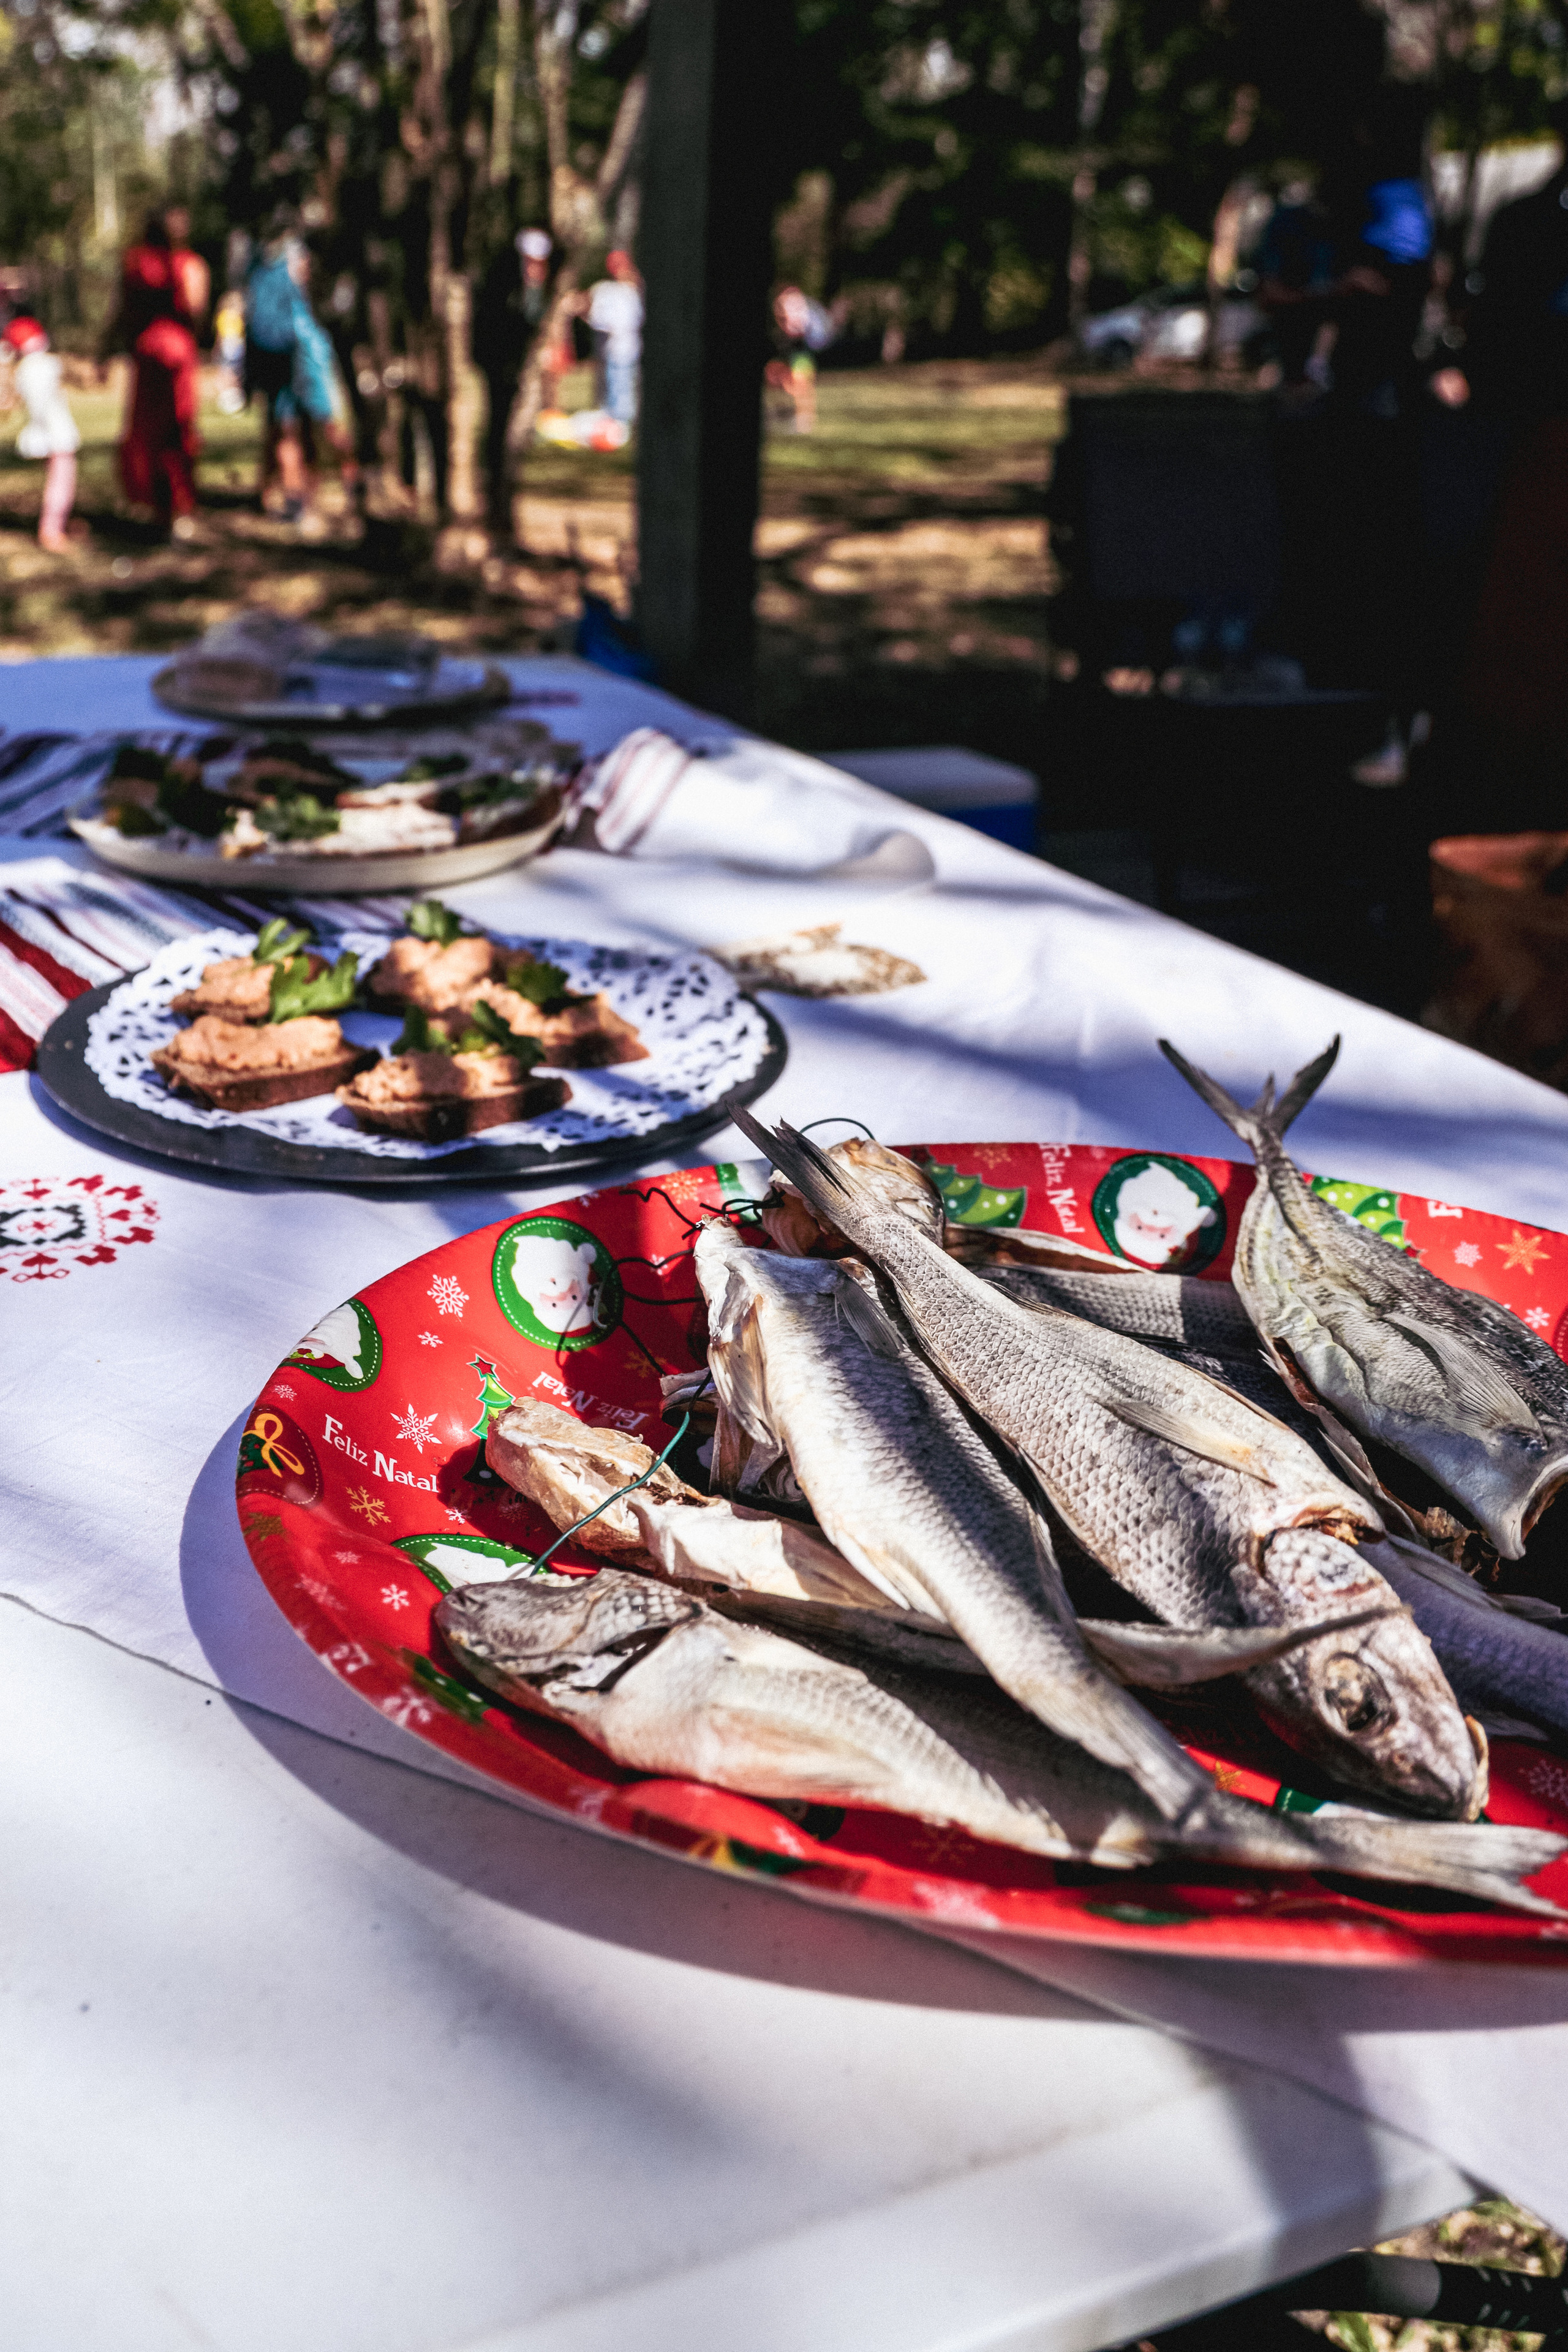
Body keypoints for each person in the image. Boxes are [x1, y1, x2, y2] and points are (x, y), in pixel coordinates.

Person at [244, 226, 358, 523]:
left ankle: (300, 495)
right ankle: (334, 489)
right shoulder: (285, 257)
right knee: (306, 425)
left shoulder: (259, 261)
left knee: (292, 427)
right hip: (298, 352)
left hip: (284, 354)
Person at [110, 205, 208, 538]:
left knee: (148, 432)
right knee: (178, 430)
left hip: (146, 351)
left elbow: (121, 312)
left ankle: (156, 507)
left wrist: (104, 350)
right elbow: (196, 309)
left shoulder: (133, 262)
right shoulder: (188, 264)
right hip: (177, 351)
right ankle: (179, 508)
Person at [0, 315, 81, 552]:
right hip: (57, 436)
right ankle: (51, 530)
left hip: (45, 434)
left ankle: (58, 525)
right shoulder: (45, 366)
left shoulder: (23, 371)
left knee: (57, 482)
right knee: (61, 485)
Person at [584, 249, 643, 429]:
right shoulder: (612, 290)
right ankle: (617, 422)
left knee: (622, 385)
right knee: (616, 384)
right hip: (617, 348)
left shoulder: (631, 290)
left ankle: (621, 424)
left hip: (626, 348)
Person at [765, 284, 835, 432]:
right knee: (788, 380)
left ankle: (803, 419)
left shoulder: (801, 311)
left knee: (800, 382)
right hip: (795, 350)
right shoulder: (788, 306)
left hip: (804, 349)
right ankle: (797, 416)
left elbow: (801, 330)